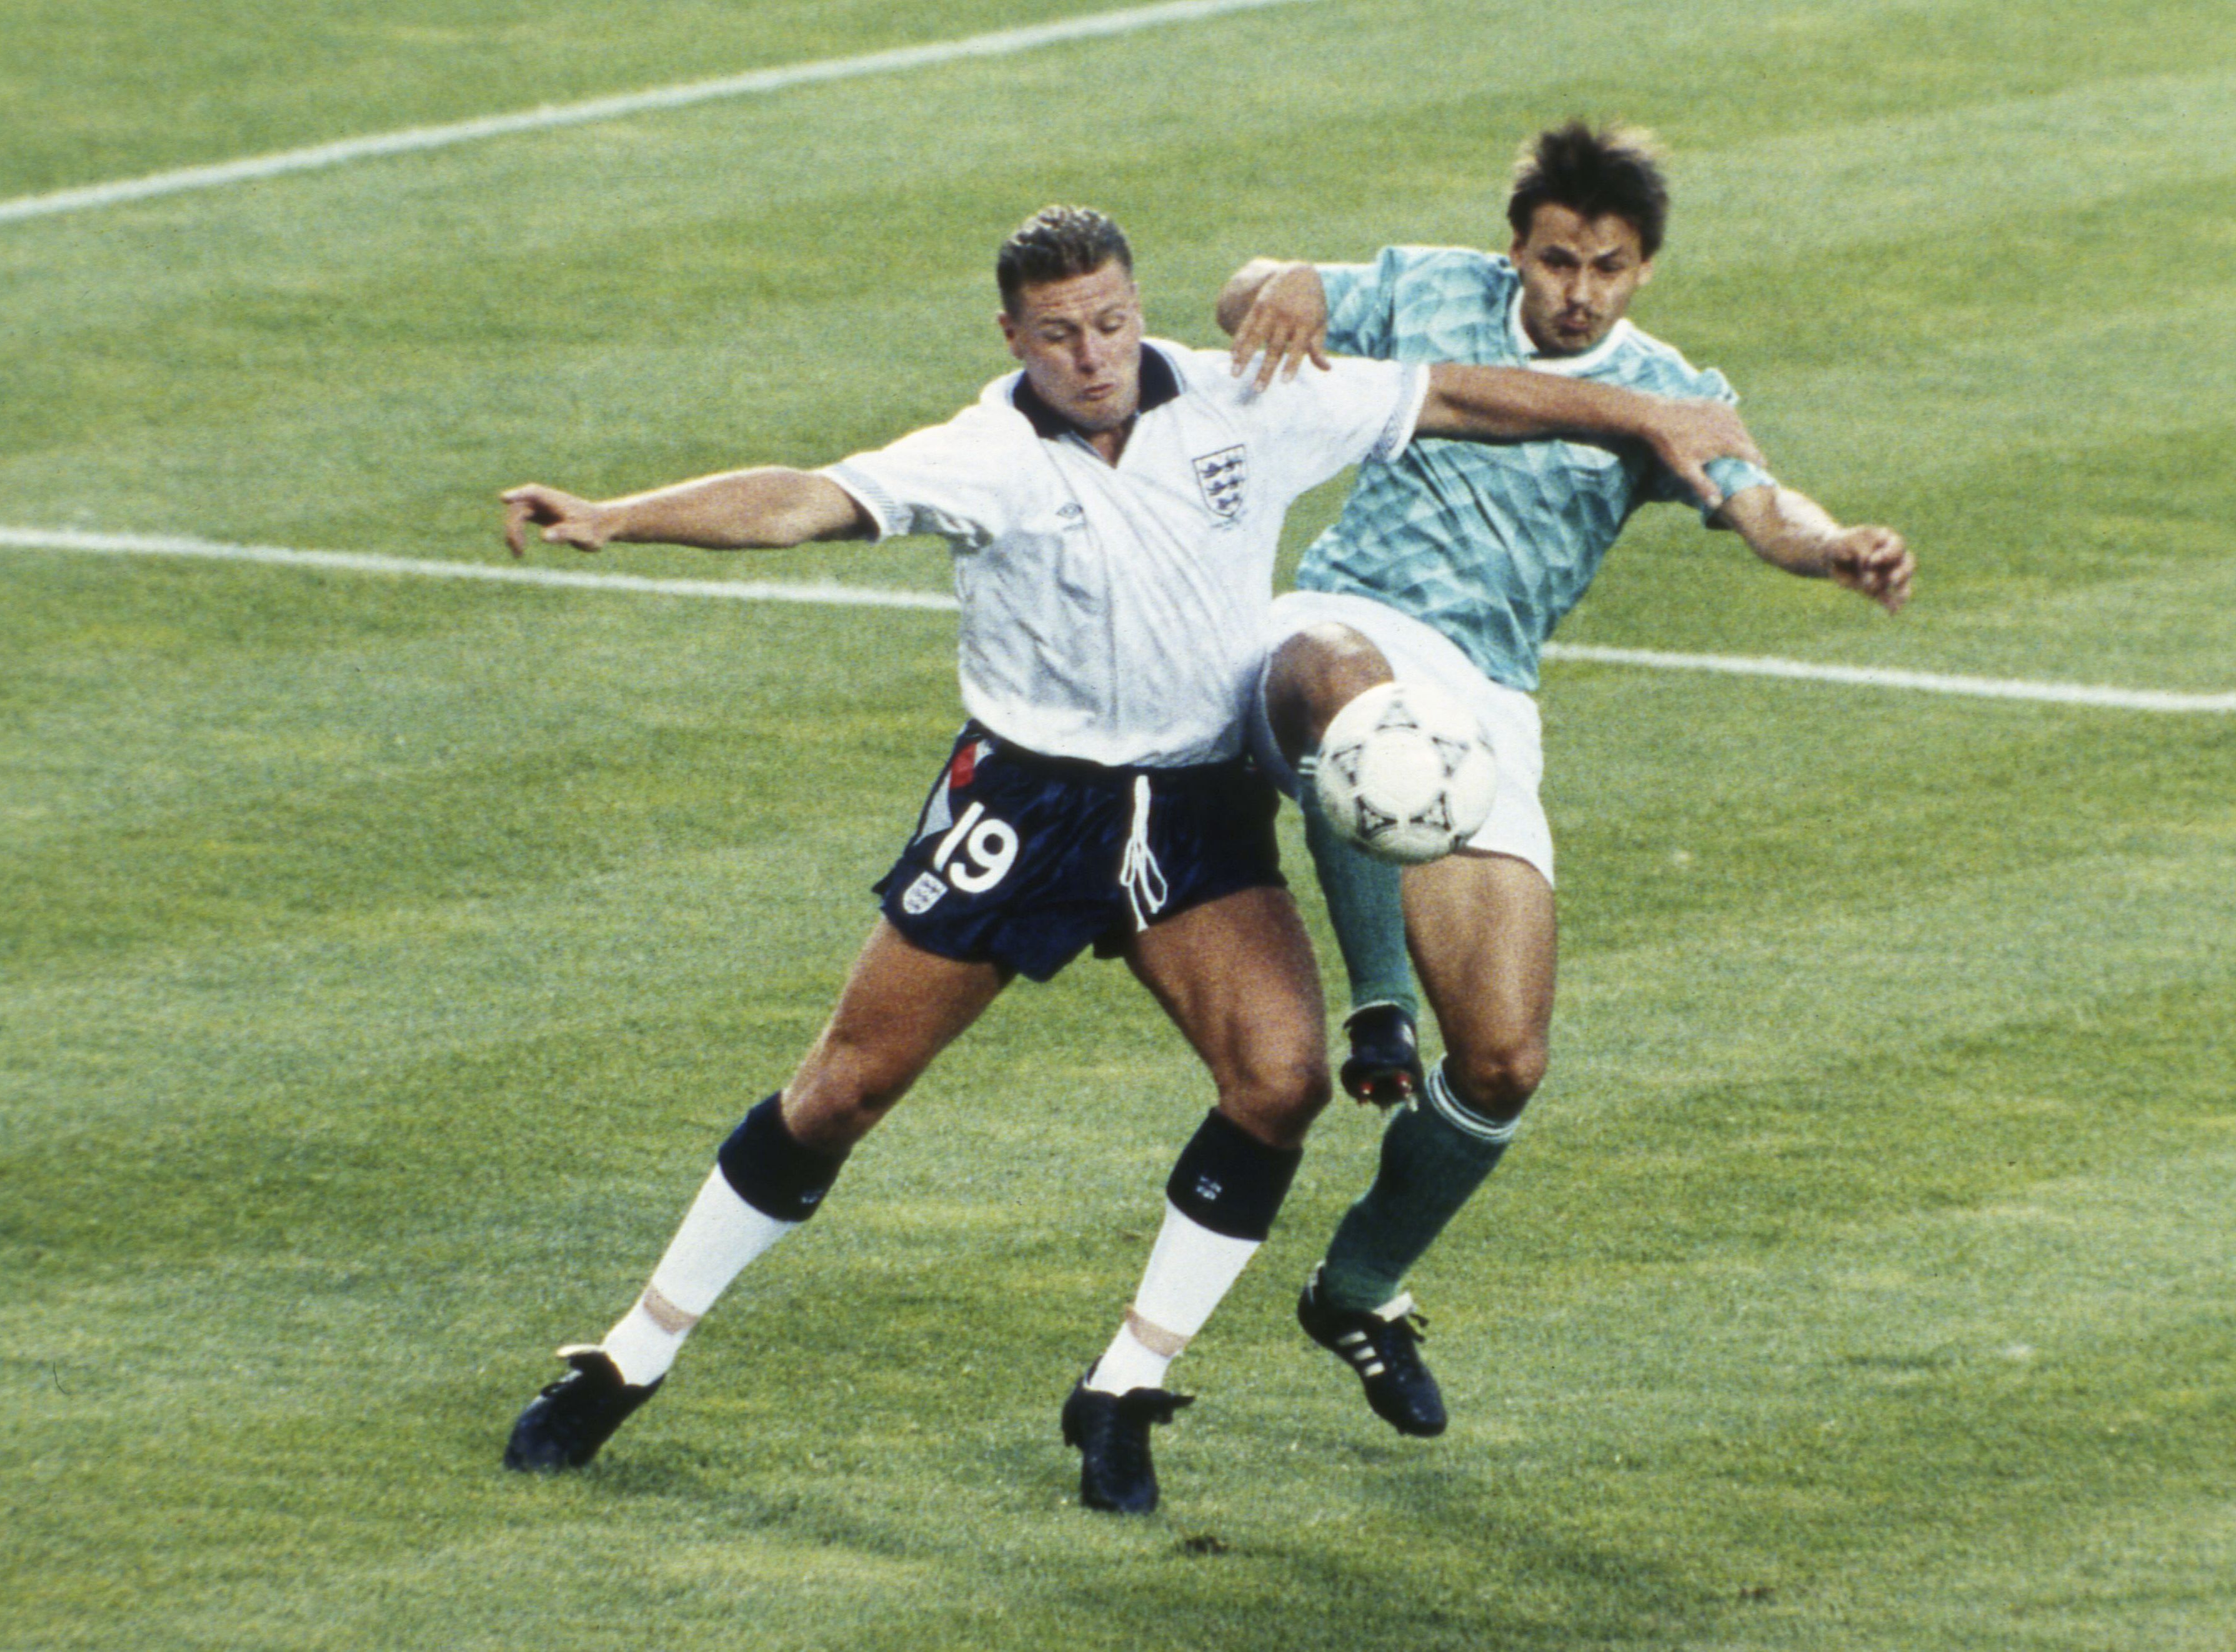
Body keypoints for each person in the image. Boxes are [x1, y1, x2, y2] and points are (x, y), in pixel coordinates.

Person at [496, 204, 1764, 1514]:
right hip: (1030, 804)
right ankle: (630, 1357)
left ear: (1136, 306)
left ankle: (1124, 1389)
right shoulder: (985, 452)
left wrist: (1645, 416)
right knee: (844, 1090)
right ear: (1013, 335)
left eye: (1110, 322)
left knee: (1278, 1082)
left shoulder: (1242, 398)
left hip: (1195, 805)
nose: (1093, 355)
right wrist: (618, 517)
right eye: (1060, 335)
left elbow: (1457, 395)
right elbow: (805, 500)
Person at [1215, 121, 1915, 1438]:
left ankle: (1357, 1287)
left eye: (1608, 267)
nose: (1578, 291)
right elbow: (1252, 294)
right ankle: (1377, 1008)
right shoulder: (1430, 288)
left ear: (1643, 269)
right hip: (1340, 627)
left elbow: (1762, 504)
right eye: (1555, 261)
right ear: (1514, 251)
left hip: (1485, 697)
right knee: (1351, 689)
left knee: (1504, 1061)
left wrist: (1835, 550)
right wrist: (1282, 282)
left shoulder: (1665, 391)